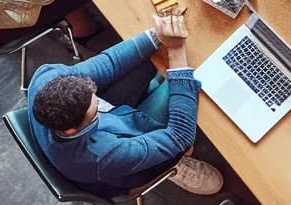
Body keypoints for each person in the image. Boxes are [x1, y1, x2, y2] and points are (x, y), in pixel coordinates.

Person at [27, 13, 223, 195]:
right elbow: (180, 136)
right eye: (94, 109)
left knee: (158, 57)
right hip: (119, 162)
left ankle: (157, 87)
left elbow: (107, 64)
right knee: (193, 77)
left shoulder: (46, 78)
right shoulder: (102, 155)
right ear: (71, 130)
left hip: (110, 119)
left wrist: (157, 35)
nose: (95, 96)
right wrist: (176, 50)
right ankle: (173, 163)